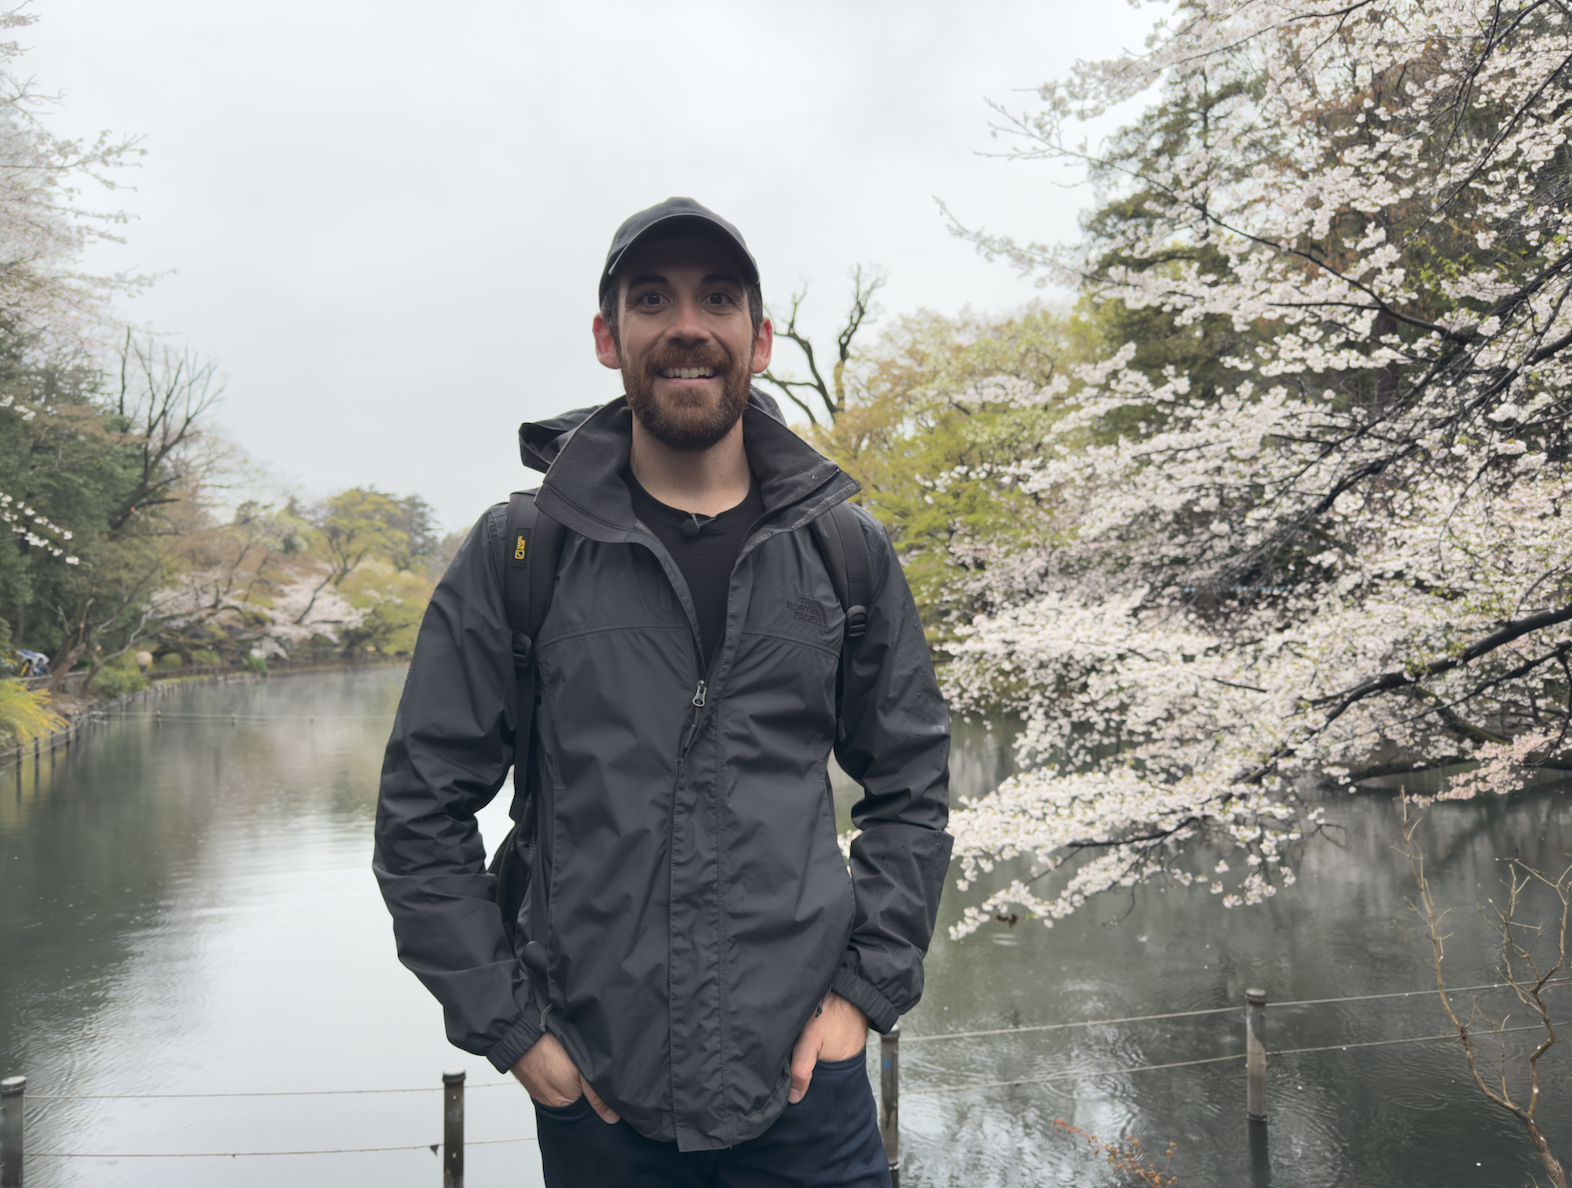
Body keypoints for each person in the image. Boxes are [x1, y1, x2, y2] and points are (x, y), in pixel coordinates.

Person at [374, 197, 952, 1187]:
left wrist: (863, 995)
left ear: (760, 339)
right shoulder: (522, 554)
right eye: (653, 298)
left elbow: (911, 782)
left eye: (718, 298)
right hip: (603, 1105)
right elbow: (420, 819)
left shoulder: (842, 551)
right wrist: (517, 1036)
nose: (687, 324)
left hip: (811, 1099)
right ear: (609, 337)